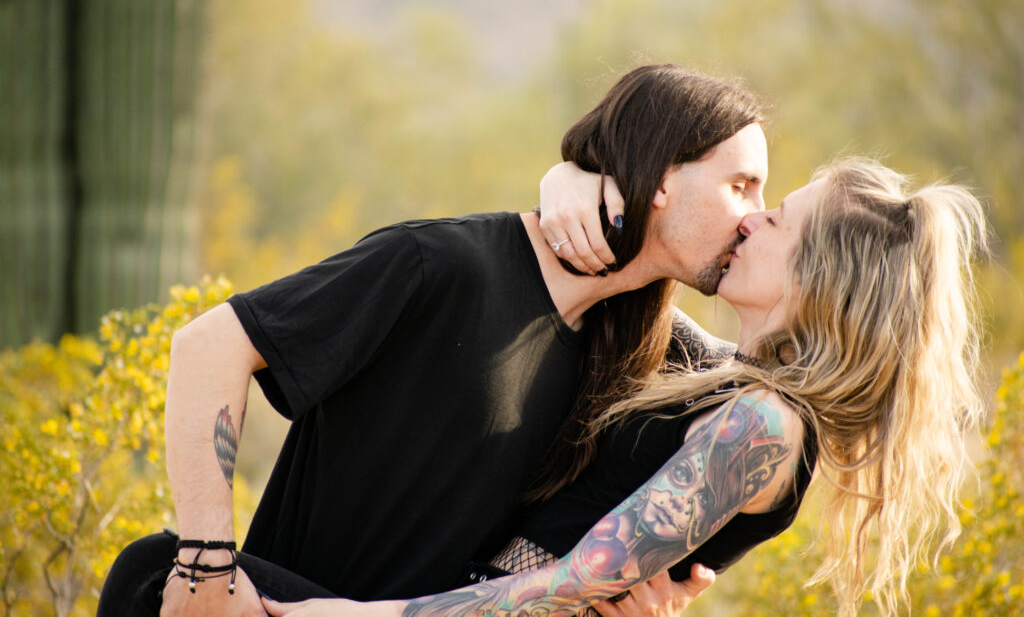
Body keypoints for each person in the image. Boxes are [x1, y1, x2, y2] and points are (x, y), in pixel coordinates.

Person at [98, 64, 769, 616]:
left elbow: (779, 381)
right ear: (661, 180)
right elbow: (209, 346)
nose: (753, 217)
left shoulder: (649, 350)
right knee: (147, 574)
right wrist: (206, 570)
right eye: (741, 186)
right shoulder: (443, 264)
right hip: (277, 608)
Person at [259, 158, 988, 617]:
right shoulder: (716, 373)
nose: (751, 220)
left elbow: (579, 578)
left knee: (154, 577)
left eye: (779, 218)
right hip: (444, 587)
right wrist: (572, 178)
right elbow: (610, 274)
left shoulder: (769, 428)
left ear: (821, 279)